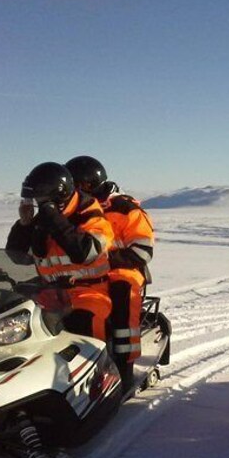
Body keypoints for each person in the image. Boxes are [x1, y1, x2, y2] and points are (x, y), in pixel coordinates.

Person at [66, 155, 155, 392]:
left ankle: (124, 367)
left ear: (91, 183)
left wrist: (105, 260)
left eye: (79, 185)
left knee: (122, 292)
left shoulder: (124, 208)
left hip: (124, 269)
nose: (75, 190)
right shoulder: (73, 210)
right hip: (85, 273)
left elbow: (142, 250)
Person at [6, 162, 114, 340]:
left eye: (40, 200)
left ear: (56, 197)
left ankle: (107, 366)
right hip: (49, 294)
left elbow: (84, 252)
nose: (37, 205)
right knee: (18, 328)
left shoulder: (90, 215)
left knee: (84, 328)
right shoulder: (44, 219)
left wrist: (52, 215)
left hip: (90, 292)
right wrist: (24, 225)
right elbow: (16, 256)